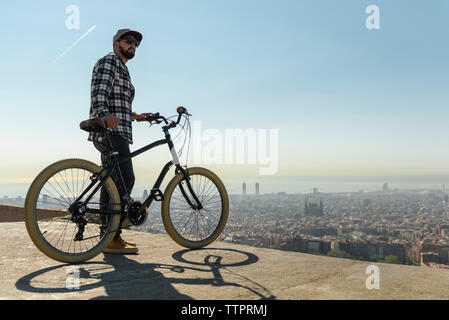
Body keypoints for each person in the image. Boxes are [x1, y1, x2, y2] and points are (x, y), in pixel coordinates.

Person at [88, 29, 150, 254]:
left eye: (135, 44)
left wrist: (136, 116)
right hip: (110, 131)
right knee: (126, 179)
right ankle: (112, 236)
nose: (132, 45)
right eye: (129, 41)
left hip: (118, 130)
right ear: (116, 44)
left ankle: (109, 237)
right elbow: (99, 92)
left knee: (112, 184)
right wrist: (104, 114)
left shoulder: (123, 69)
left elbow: (119, 104)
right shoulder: (110, 61)